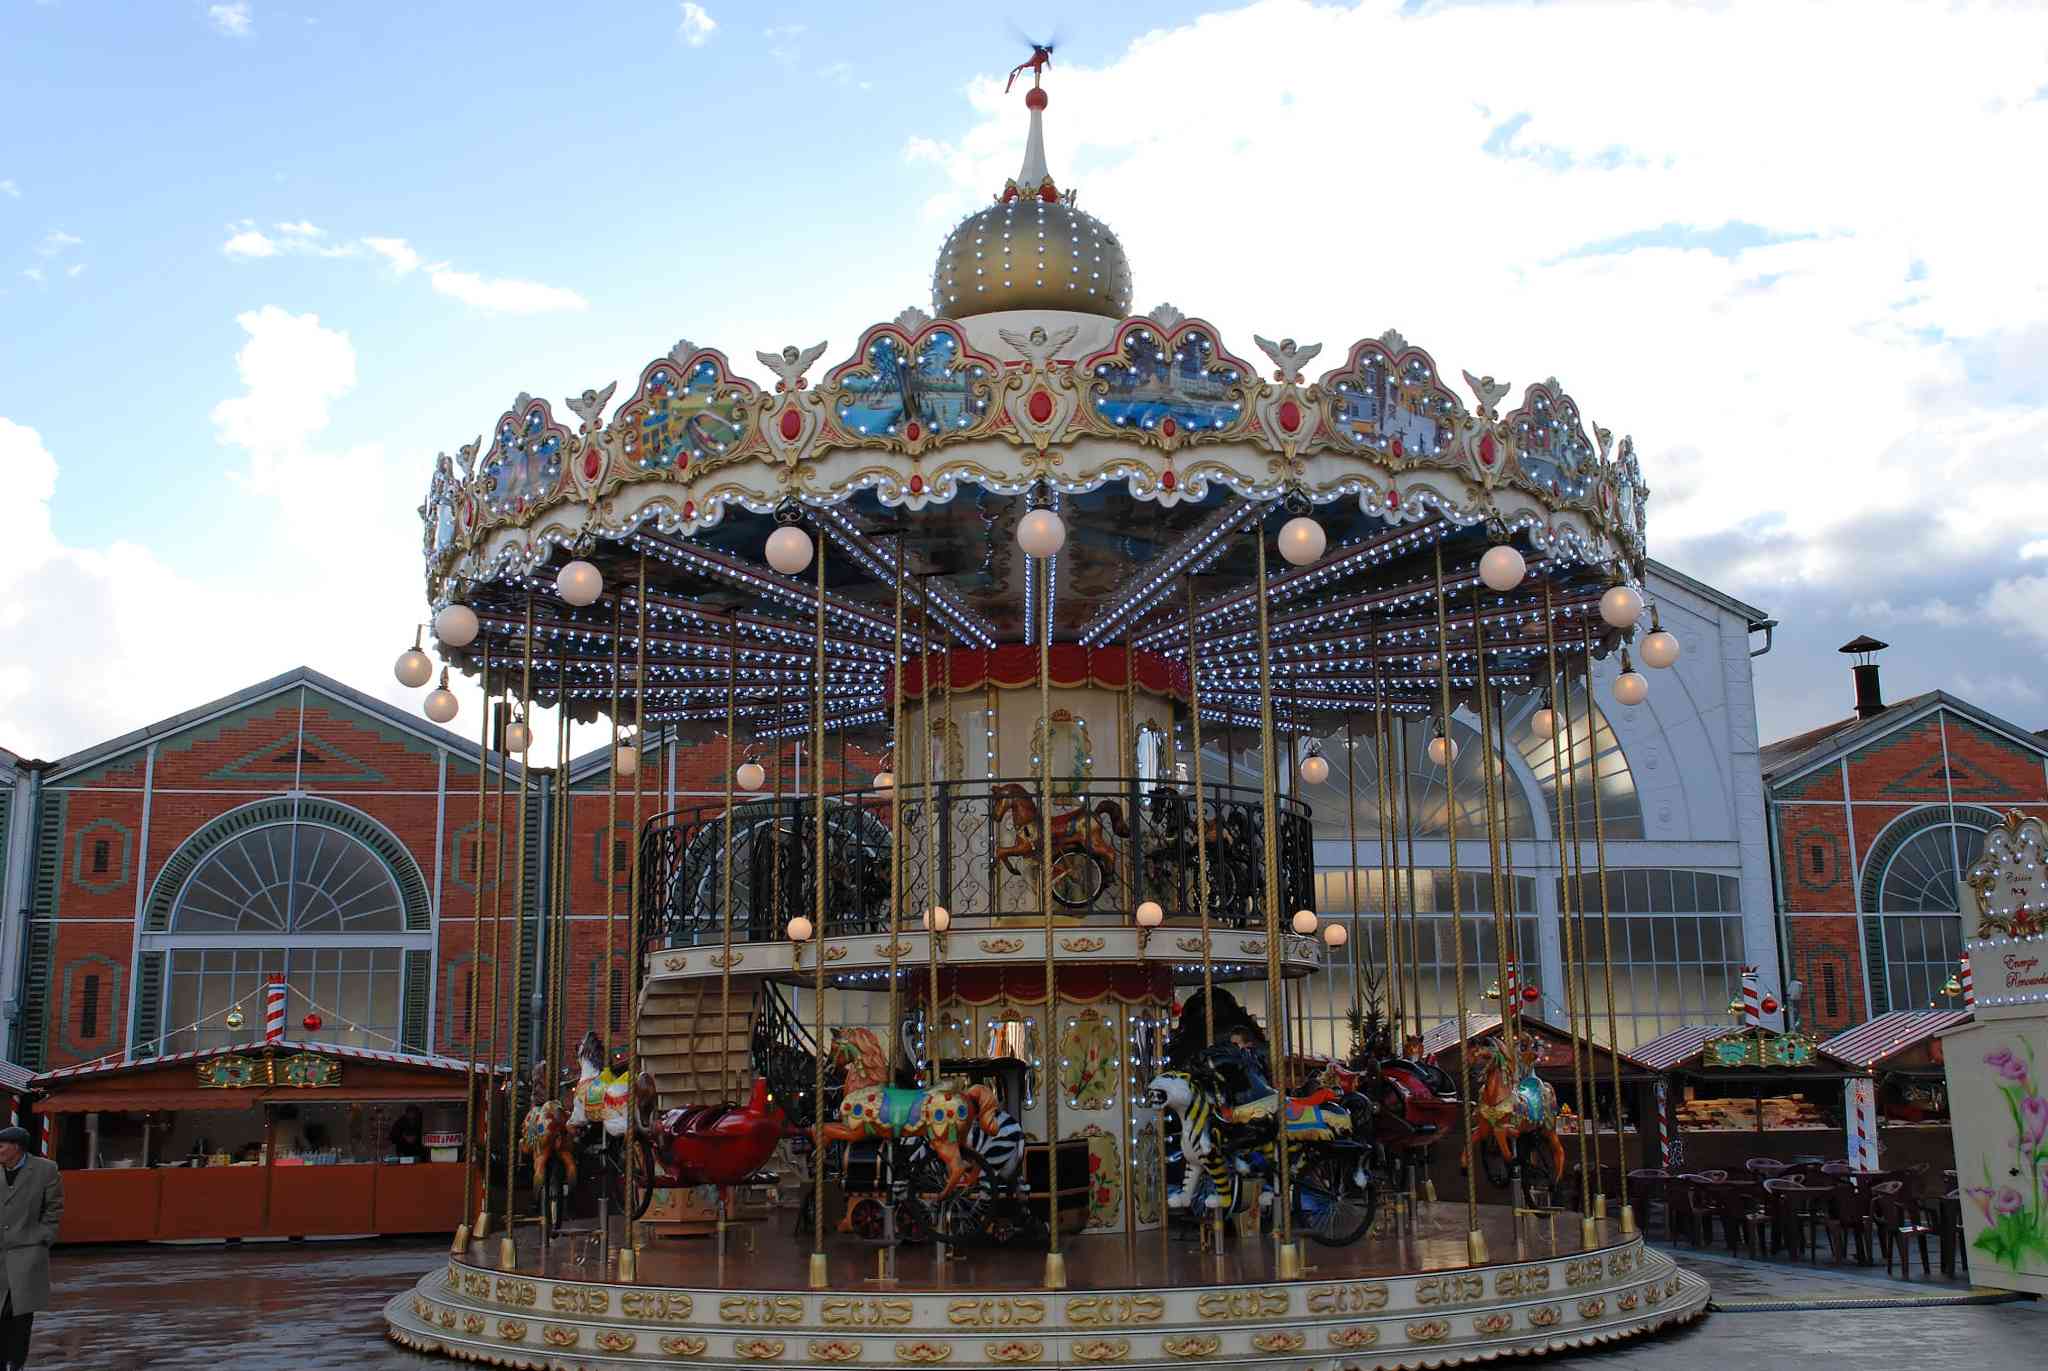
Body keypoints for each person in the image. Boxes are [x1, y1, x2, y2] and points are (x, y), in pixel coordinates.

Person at [0, 1125, 62, 1370]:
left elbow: (54, 1207)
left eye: (2, 1145)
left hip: (27, 1251)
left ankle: (16, 1363)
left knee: (20, 1316)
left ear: (16, 1147)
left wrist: (44, 1236)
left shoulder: (45, 1170)